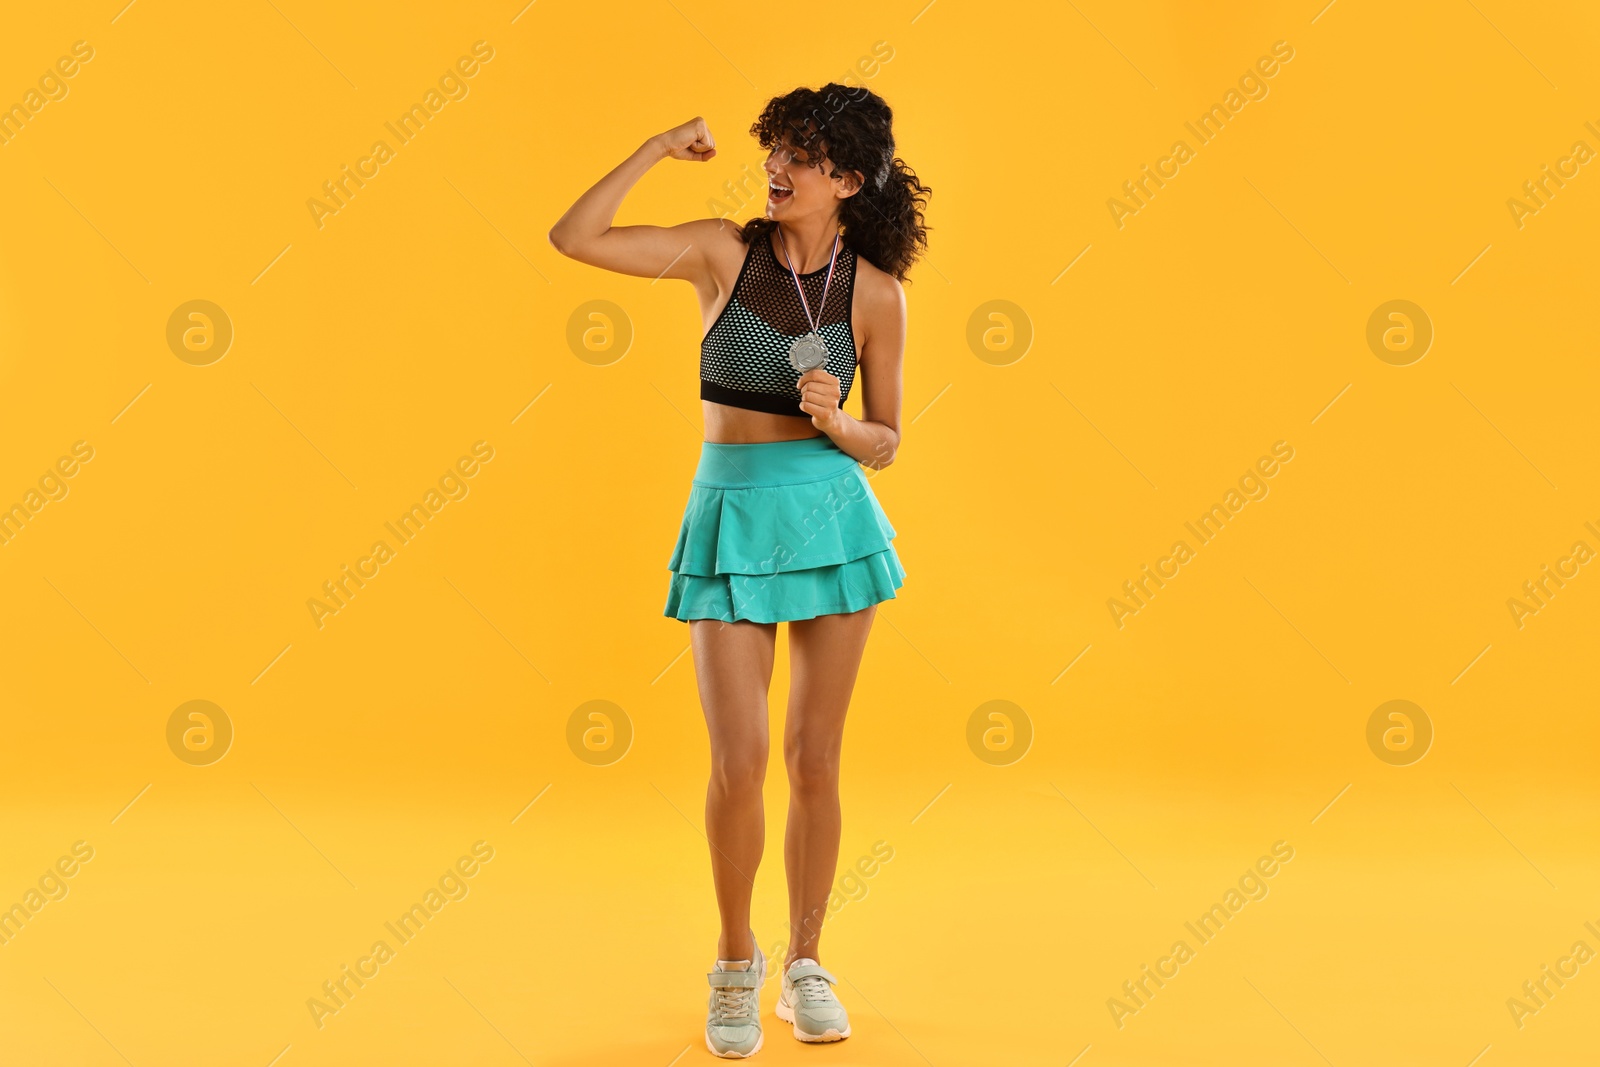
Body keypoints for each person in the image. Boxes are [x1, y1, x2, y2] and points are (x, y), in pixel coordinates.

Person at [548, 83, 930, 1058]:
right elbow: (574, 237)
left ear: (846, 179)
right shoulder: (723, 252)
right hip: (727, 516)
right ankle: (733, 959)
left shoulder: (876, 292)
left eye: (800, 156)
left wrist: (840, 424)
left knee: (814, 758)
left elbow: (886, 435)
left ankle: (807, 961)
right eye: (776, 150)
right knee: (739, 761)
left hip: (830, 519)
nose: (777, 167)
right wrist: (650, 145)